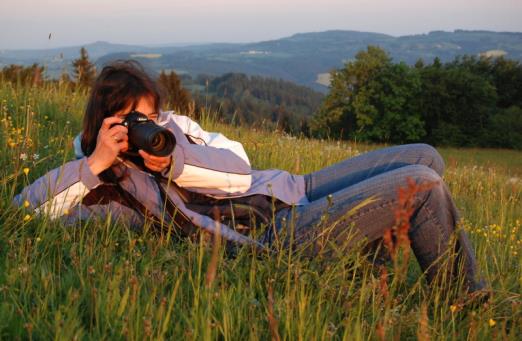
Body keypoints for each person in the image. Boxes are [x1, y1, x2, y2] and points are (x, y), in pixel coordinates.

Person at [14, 60, 485, 293]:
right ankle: (463, 302)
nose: (146, 130)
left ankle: (372, 270)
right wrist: (96, 163)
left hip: (288, 189)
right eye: (132, 121)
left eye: (151, 116)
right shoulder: (111, 189)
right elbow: (25, 213)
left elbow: (239, 169)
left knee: (425, 156)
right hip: (274, 234)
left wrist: (173, 157)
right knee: (422, 186)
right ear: (104, 123)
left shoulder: (173, 132)